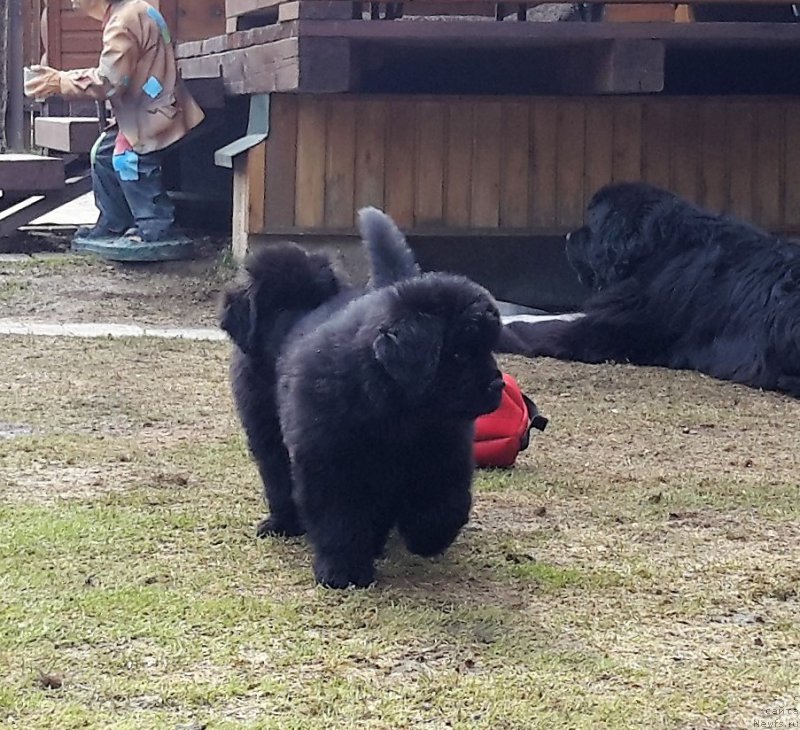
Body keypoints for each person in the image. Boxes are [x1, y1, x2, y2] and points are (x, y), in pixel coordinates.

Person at [23, 0, 205, 261]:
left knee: (127, 159)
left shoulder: (123, 22)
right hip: (147, 107)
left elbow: (110, 82)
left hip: (154, 113)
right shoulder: (133, 10)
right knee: (103, 152)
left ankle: (156, 227)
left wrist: (58, 81)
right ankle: (114, 222)